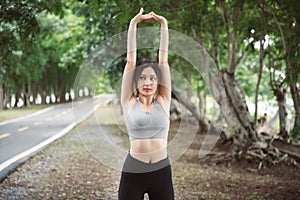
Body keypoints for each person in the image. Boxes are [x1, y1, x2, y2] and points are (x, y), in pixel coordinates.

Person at [118, 8, 174, 200]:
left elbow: (163, 61)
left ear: (158, 82)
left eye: (152, 78)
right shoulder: (129, 102)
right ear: (135, 82)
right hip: (133, 170)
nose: (147, 83)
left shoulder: (164, 101)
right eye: (142, 78)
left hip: (162, 171)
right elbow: (130, 62)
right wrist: (133, 25)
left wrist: (164, 24)